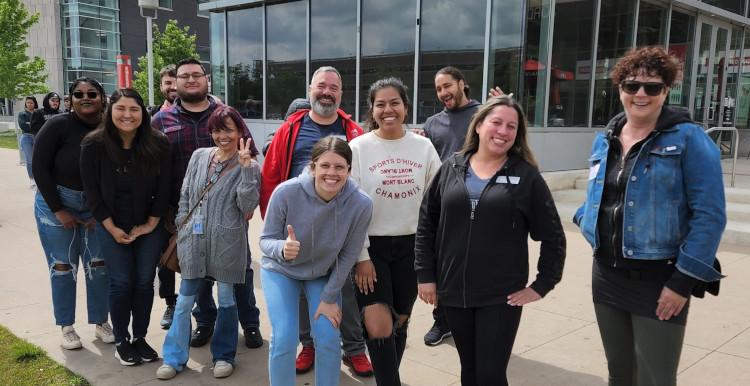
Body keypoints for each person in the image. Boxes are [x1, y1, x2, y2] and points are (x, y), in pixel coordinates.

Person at [574, 46, 726, 386]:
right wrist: (586, 222)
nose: (640, 94)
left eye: (652, 87)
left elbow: (710, 216)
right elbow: (596, 197)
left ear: (666, 91)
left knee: (655, 379)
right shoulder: (604, 140)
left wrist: (683, 282)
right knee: (620, 375)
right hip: (607, 275)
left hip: (661, 281)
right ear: (620, 89)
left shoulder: (689, 139)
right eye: (631, 85)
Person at [415, 95, 566, 385]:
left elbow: (553, 235)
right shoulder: (452, 167)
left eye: (512, 126)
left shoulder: (525, 176)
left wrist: (542, 284)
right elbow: (427, 224)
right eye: (496, 122)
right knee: (469, 371)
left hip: (500, 296)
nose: (503, 131)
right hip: (454, 290)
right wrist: (425, 274)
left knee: (490, 375)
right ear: (480, 124)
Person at [260, 67, 373, 376]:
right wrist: (278, 237)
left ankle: (353, 348)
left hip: (334, 232)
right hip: (293, 227)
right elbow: (271, 174)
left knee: (341, 296)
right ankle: (306, 345)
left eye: (333, 88)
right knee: (291, 312)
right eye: (321, 86)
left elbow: (373, 158)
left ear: (340, 93)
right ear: (310, 90)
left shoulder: (354, 132)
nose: (327, 92)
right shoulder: (291, 128)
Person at [153, 58, 264, 349]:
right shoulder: (161, 120)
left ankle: (249, 323)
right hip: (187, 212)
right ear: (175, 83)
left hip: (228, 213)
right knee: (198, 276)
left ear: (206, 79)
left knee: (239, 271)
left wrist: (247, 194)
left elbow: (248, 155)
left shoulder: (223, 114)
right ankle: (204, 323)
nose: (191, 80)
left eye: (196, 75)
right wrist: (177, 219)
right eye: (184, 76)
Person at [349, 77, 442, 385]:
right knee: (378, 326)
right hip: (371, 248)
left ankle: (389, 379)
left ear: (405, 106)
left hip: (413, 247)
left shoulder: (424, 146)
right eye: (380, 104)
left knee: (399, 322)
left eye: (395, 103)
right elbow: (351, 207)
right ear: (371, 109)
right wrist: (361, 254)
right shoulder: (359, 148)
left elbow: (437, 201)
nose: (388, 110)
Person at [80, 88, 172, 366]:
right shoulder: (93, 144)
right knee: (121, 283)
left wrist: (150, 224)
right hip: (111, 224)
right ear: (110, 111)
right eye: (121, 108)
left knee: (144, 282)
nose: (127, 115)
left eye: (134, 109)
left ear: (143, 113)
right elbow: (92, 193)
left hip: (149, 225)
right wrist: (110, 227)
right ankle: (121, 340)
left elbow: (164, 187)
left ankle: (140, 338)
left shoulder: (159, 142)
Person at [31, 77, 113, 350]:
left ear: (102, 96)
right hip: (55, 204)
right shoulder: (57, 125)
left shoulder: (110, 127)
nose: (85, 97)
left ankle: (101, 322)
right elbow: (39, 167)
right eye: (78, 94)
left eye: (91, 93)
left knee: (99, 266)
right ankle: (66, 327)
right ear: (71, 99)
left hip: (95, 207)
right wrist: (58, 210)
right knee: (63, 268)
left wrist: (101, 211)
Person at [18, 96, 38, 188]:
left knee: (38, 159)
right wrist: (33, 126)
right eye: (28, 103)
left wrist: (30, 124)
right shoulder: (22, 114)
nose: (29, 104)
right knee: (29, 159)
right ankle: (32, 178)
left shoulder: (38, 113)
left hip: (37, 137)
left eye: (31, 103)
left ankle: (38, 177)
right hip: (26, 138)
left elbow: (41, 125)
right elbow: (24, 126)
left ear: (34, 104)